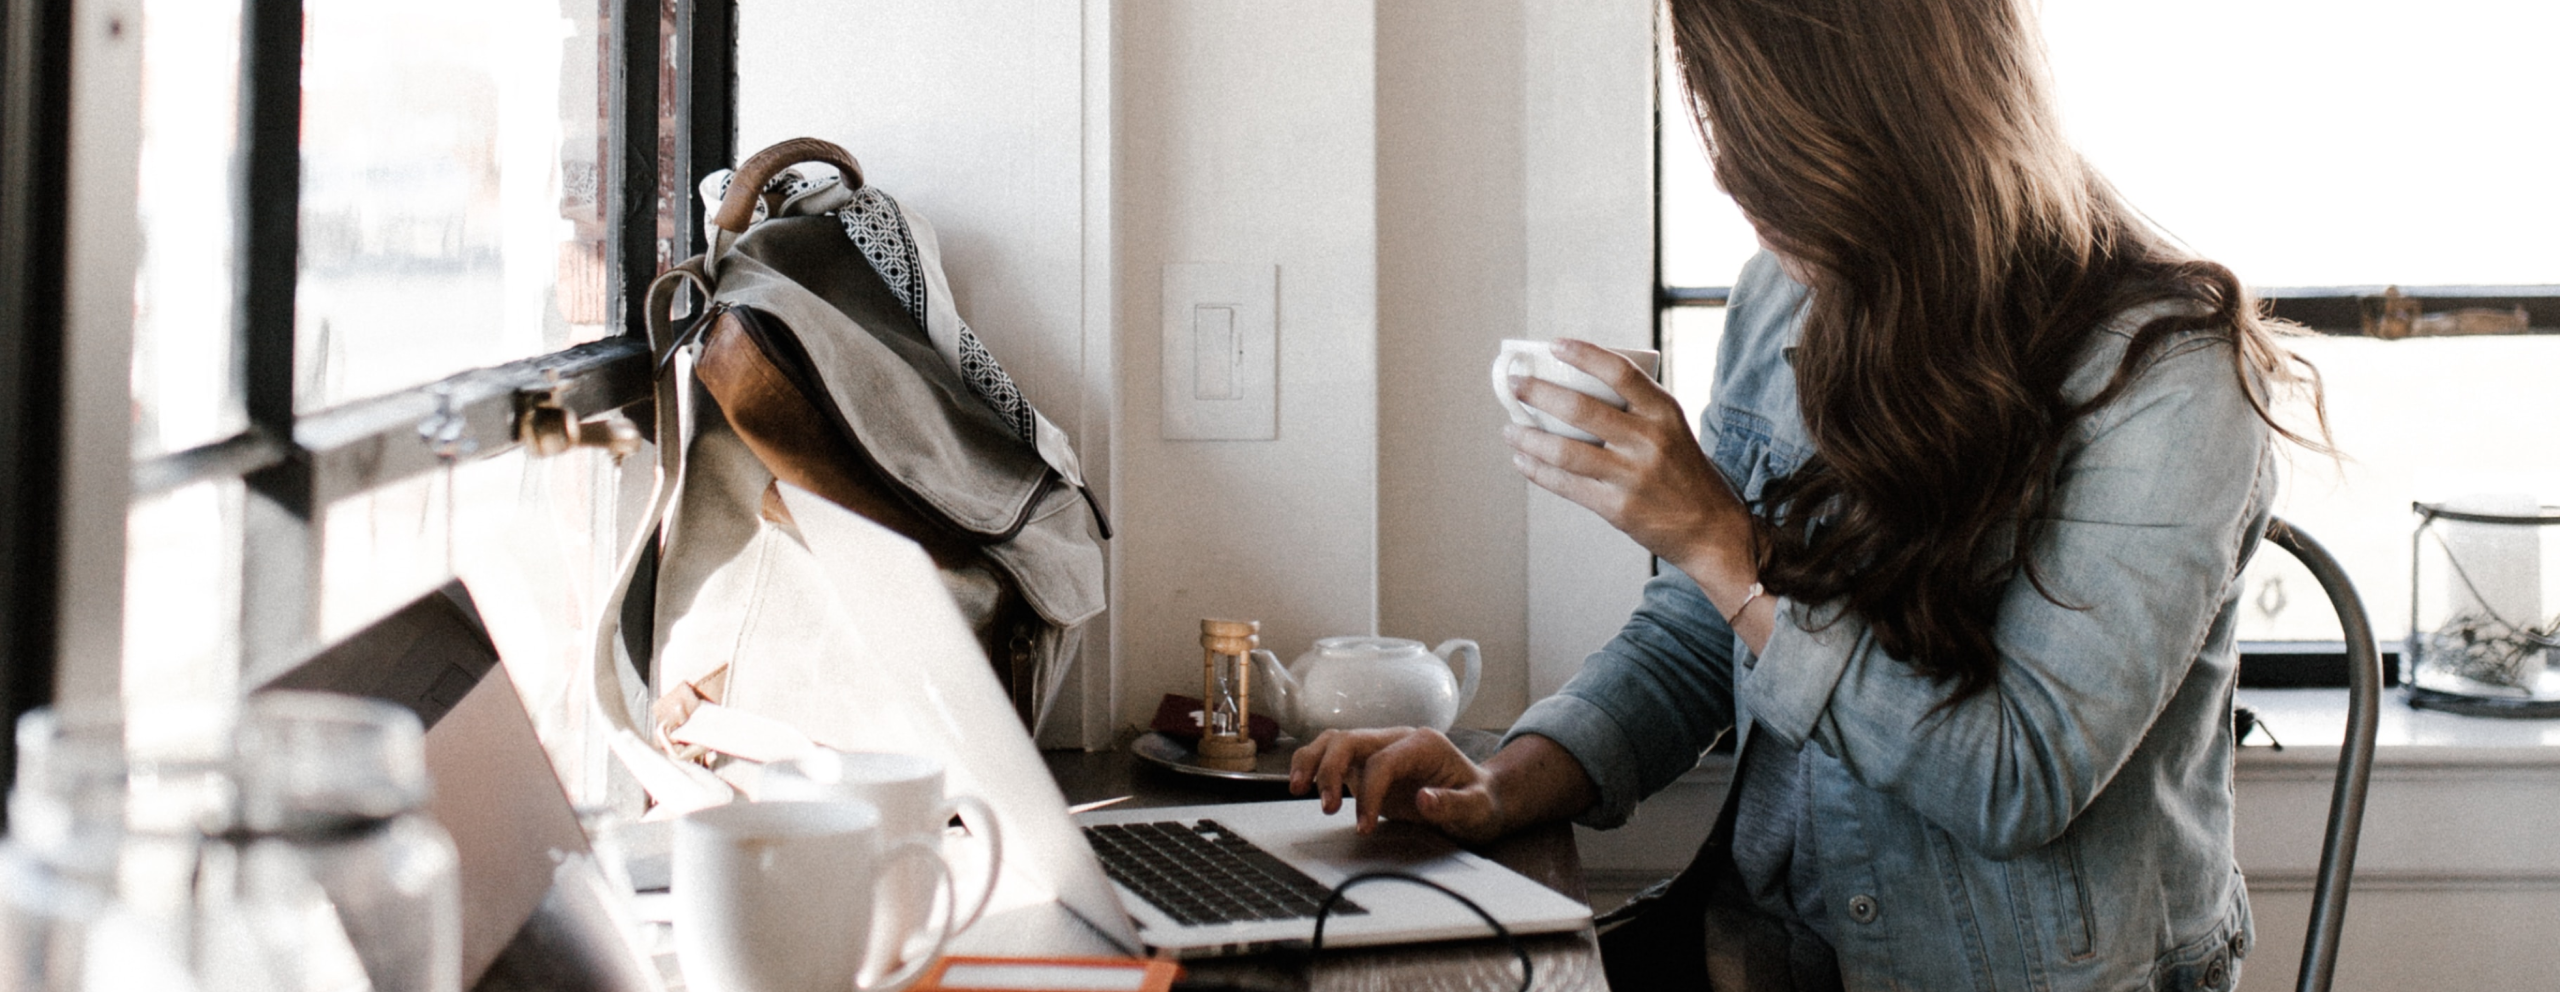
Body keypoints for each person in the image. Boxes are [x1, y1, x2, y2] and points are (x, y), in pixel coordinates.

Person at [1289, 0, 2326, 989]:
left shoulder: (2169, 380)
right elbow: (1706, 632)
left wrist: (1716, 537)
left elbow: (2015, 777)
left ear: (1884, 126)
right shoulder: (1788, 290)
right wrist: (1506, 777)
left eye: (1763, 156)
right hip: (1763, 950)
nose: (1740, 192)